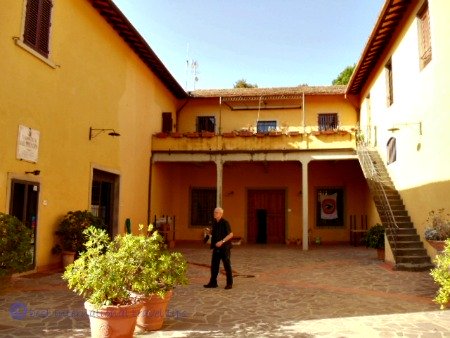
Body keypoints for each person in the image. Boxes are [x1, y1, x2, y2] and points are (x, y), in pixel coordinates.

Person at [203, 207, 234, 289]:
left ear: (221, 214)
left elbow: (231, 234)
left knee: (227, 265)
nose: (214, 213)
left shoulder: (225, 222)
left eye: (216, 212)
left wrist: (222, 241)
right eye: (214, 212)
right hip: (216, 248)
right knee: (214, 266)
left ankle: (229, 283)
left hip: (225, 248)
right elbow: (214, 233)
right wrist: (208, 232)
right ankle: (213, 282)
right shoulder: (214, 222)